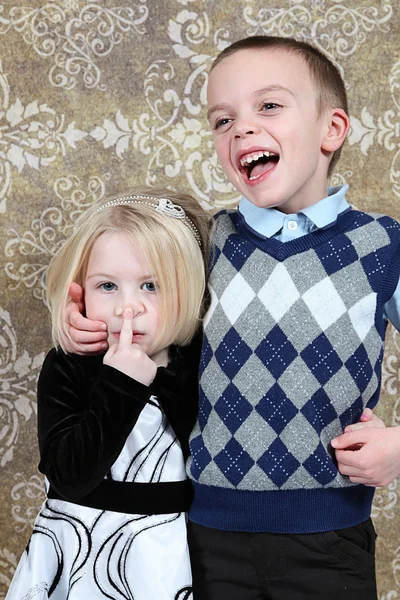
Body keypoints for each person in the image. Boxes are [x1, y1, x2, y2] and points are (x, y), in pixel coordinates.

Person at [64, 37, 400, 599]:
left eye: (268, 106)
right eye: (223, 120)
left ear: (331, 130)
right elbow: (132, 293)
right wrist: (89, 322)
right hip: (205, 533)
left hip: (330, 537)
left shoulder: (381, 247)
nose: (241, 128)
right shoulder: (205, 243)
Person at [6, 188, 211, 600]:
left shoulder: (198, 363)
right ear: (78, 290)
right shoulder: (69, 366)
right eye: (107, 286)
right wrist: (121, 383)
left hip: (162, 555)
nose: (126, 307)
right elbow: (70, 476)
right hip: (75, 550)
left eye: (150, 286)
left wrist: (156, 374)